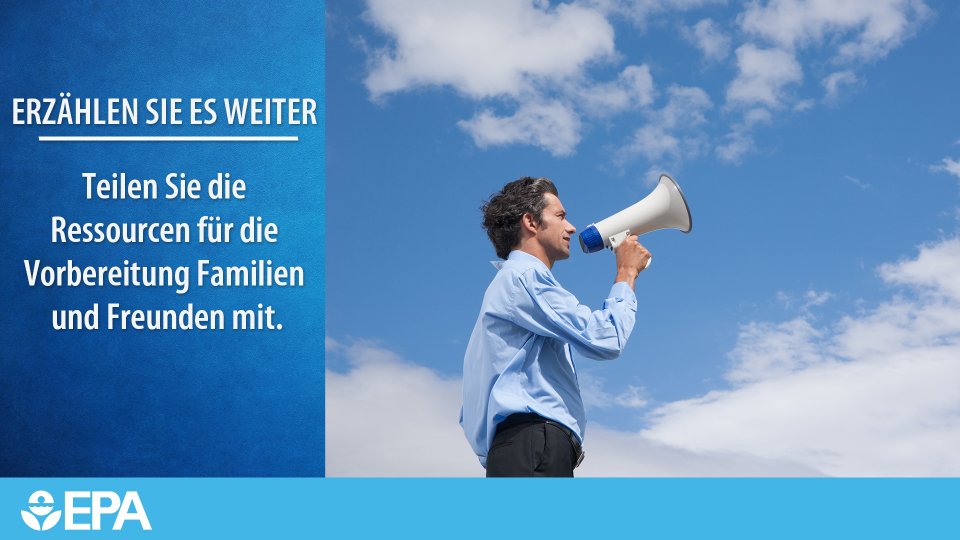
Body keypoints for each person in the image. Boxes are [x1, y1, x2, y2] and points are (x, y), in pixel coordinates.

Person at [460, 176, 651, 477]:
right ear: (531, 222)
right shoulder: (524, 277)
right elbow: (606, 338)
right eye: (560, 216)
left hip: (523, 450)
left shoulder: (512, 283)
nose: (571, 227)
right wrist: (626, 273)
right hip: (535, 445)